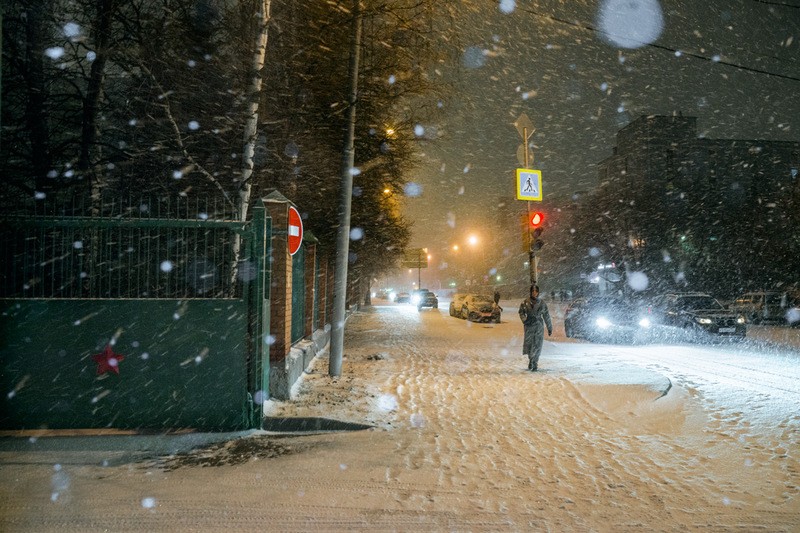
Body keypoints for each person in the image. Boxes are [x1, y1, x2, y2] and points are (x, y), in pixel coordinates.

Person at [518, 284, 553, 371]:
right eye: (532, 291)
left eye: (536, 291)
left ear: (538, 292)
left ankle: (535, 362)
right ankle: (531, 359)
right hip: (529, 326)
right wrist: (525, 320)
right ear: (530, 292)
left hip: (538, 326)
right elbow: (521, 312)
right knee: (530, 344)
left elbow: (546, 315)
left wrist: (549, 327)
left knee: (537, 344)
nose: (534, 293)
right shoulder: (525, 302)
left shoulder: (542, 303)